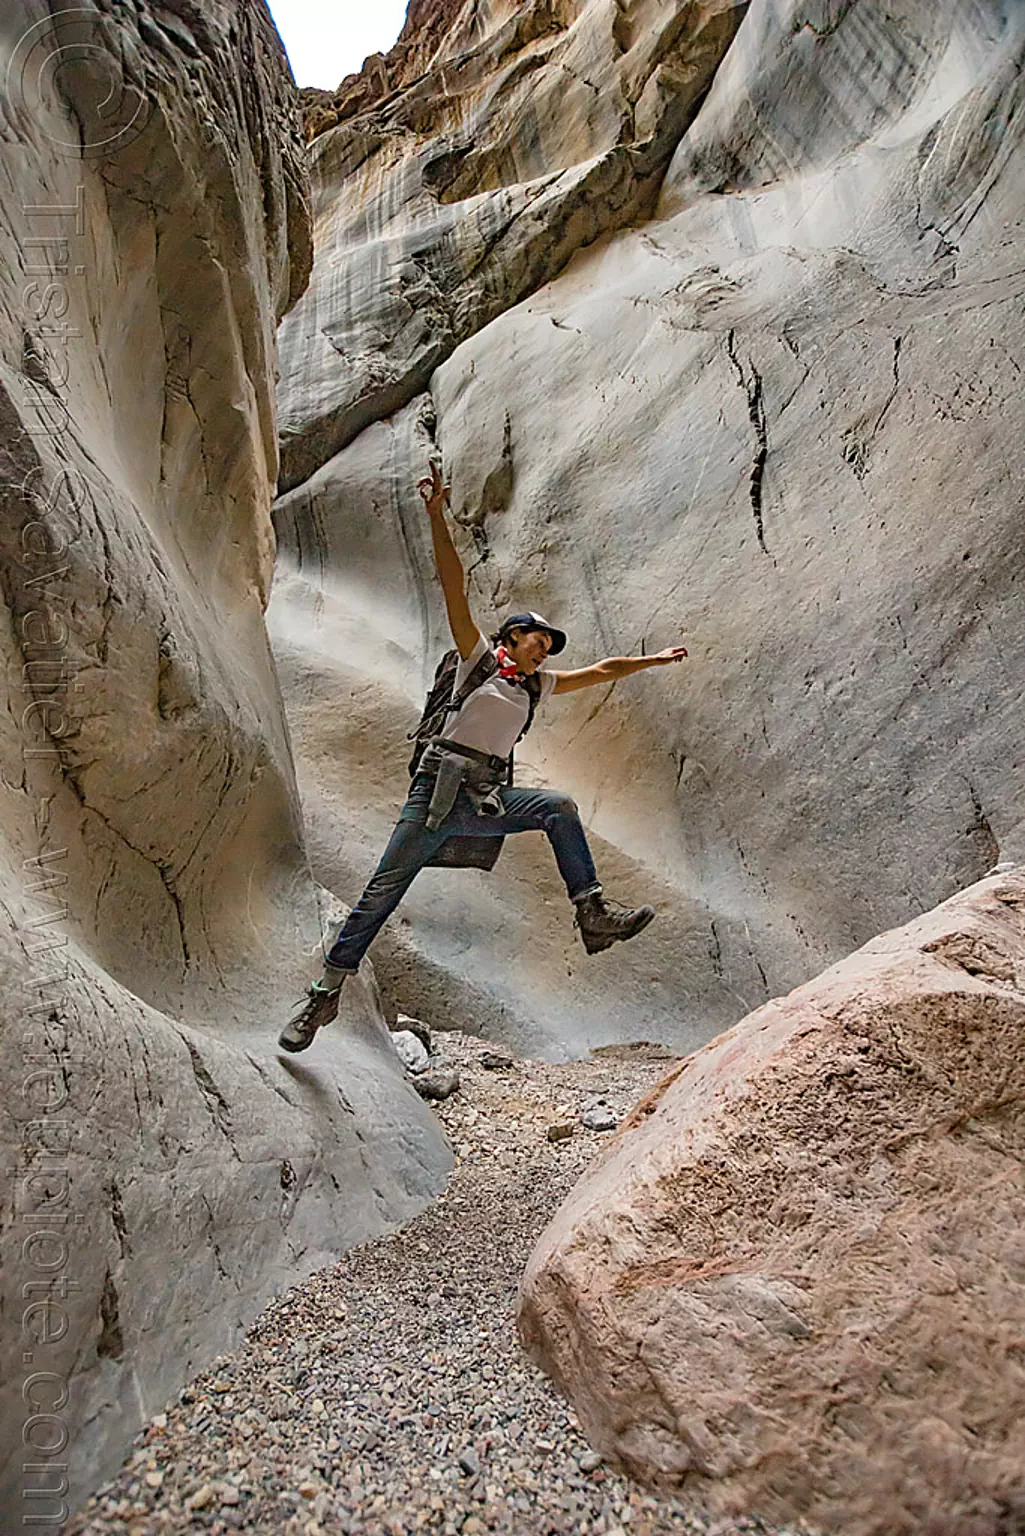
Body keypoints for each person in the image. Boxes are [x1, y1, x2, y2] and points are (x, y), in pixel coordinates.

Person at [278, 461, 687, 1053]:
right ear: (510, 637)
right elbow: (453, 587)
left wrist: (652, 661)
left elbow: (602, 671)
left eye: (549, 647)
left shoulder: (536, 686)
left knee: (557, 807)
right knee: (378, 898)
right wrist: (435, 516)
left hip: (484, 799)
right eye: (538, 641)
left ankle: (592, 913)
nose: (545, 651)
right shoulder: (479, 663)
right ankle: (323, 996)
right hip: (434, 794)